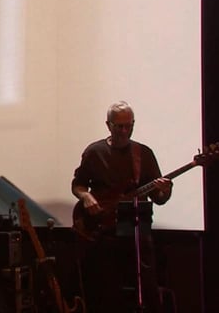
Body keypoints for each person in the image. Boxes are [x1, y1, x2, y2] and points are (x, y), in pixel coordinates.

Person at [70, 100, 173, 313]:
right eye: (120, 126)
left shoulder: (143, 154)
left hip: (136, 230)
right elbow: (78, 185)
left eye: (129, 125)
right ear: (108, 125)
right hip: (103, 233)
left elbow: (159, 198)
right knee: (106, 292)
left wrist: (165, 189)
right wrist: (86, 197)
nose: (125, 131)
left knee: (148, 289)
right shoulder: (94, 152)